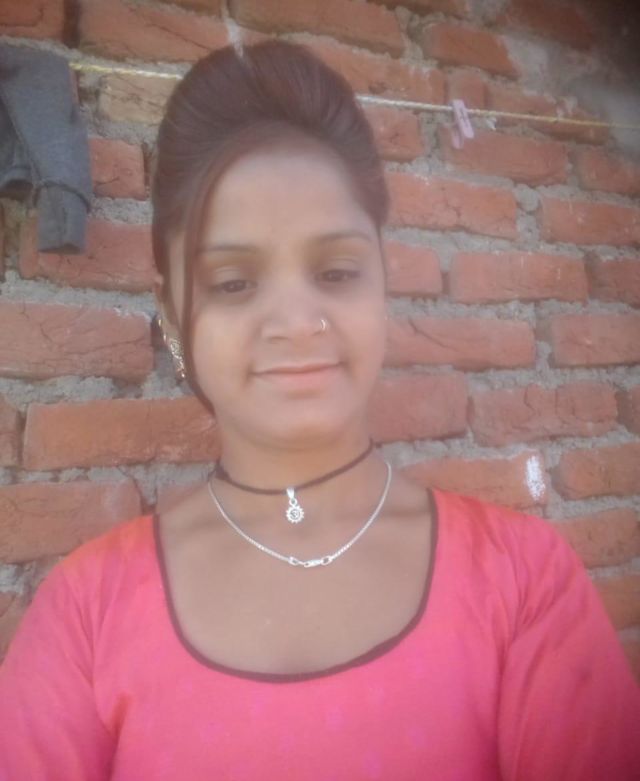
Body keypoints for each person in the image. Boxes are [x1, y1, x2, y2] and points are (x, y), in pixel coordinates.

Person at [0, 40, 639, 781]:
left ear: (384, 285)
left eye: (336, 271)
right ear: (171, 314)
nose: (297, 321)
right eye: (233, 283)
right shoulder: (85, 614)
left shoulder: (524, 582)